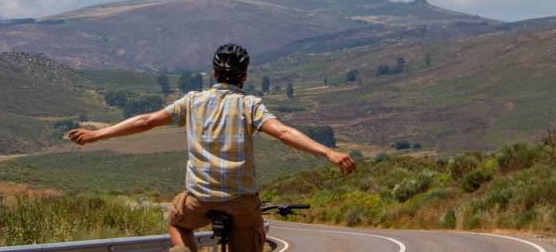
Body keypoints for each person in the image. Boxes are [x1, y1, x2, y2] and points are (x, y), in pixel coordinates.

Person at [68, 43, 356, 252]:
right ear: (243, 77)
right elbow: (282, 132)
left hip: (200, 200)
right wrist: (328, 152)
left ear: (214, 74)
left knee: (178, 223)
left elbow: (146, 121)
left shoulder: (192, 101)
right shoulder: (249, 105)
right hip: (242, 201)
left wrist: (97, 134)